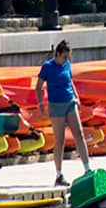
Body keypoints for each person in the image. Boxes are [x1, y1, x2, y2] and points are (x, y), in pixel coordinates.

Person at [32, 40, 90, 186]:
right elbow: (38, 87)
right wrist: (40, 104)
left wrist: (76, 97)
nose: (66, 60)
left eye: (68, 57)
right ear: (57, 54)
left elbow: (70, 81)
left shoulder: (67, 65)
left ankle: (87, 168)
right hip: (56, 106)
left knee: (79, 134)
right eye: (64, 57)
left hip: (70, 103)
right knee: (60, 140)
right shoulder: (47, 67)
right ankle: (59, 174)